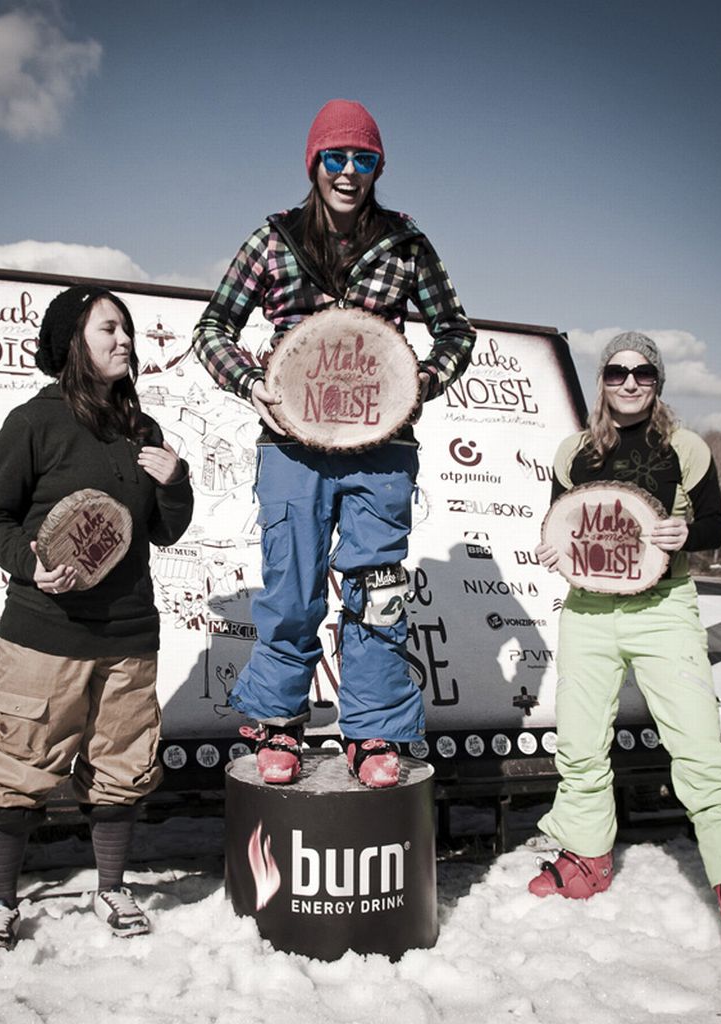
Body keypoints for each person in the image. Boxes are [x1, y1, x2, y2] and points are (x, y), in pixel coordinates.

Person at [193, 99, 476, 788]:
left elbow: (456, 334)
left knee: (377, 593)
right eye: (336, 157)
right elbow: (212, 329)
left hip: (381, 453)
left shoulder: (407, 244)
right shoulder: (272, 238)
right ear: (315, 162)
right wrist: (251, 383)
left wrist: (415, 384)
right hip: (292, 448)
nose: (349, 172)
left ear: (379, 165)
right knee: (291, 594)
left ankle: (373, 731)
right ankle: (279, 724)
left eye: (364, 159)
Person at [528, 331, 721, 953]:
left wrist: (686, 531)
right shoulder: (572, 451)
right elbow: (562, 521)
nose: (630, 383)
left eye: (643, 373)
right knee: (578, 744)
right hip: (590, 610)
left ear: (658, 382)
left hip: (663, 607)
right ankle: (586, 859)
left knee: (699, 746)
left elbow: (715, 525)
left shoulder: (686, 447)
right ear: (601, 380)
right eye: (618, 372)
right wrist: (553, 546)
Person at [0, 285, 194, 951]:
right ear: (73, 344)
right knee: (19, 765)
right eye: (108, 330)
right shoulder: (33, 423)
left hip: (129, 633)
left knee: (122, 763)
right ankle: (3, 903)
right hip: (44, 635)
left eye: (126, 330)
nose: (124, 340)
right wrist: (29, 562)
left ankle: (112, 889)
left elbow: (163, 532)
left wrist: (175, 482)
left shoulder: (141, 431)